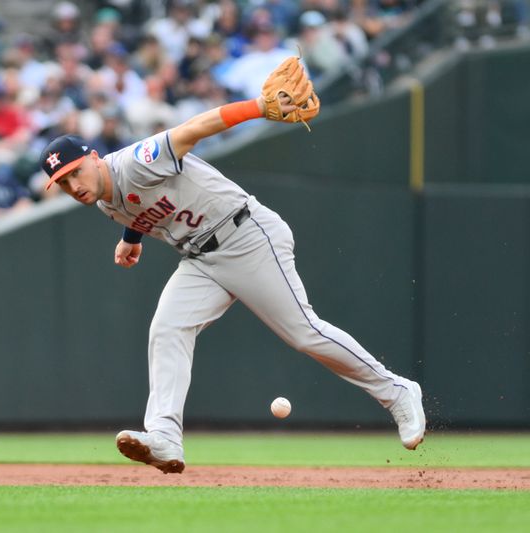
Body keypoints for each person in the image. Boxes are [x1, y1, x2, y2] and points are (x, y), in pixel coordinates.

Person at [38, 69, 426, 474]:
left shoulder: (136, 160)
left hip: (247, 236)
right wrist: (131, 238)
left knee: (304, 333)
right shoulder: (104, 200)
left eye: (75, 172)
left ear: (94, 158)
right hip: (202, 260)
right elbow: (138, 202)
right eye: (62, 183)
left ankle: (397, 391)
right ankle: (165, 438)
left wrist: (258, 107)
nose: (73, 185)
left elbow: (193, 129)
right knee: (168, 328)